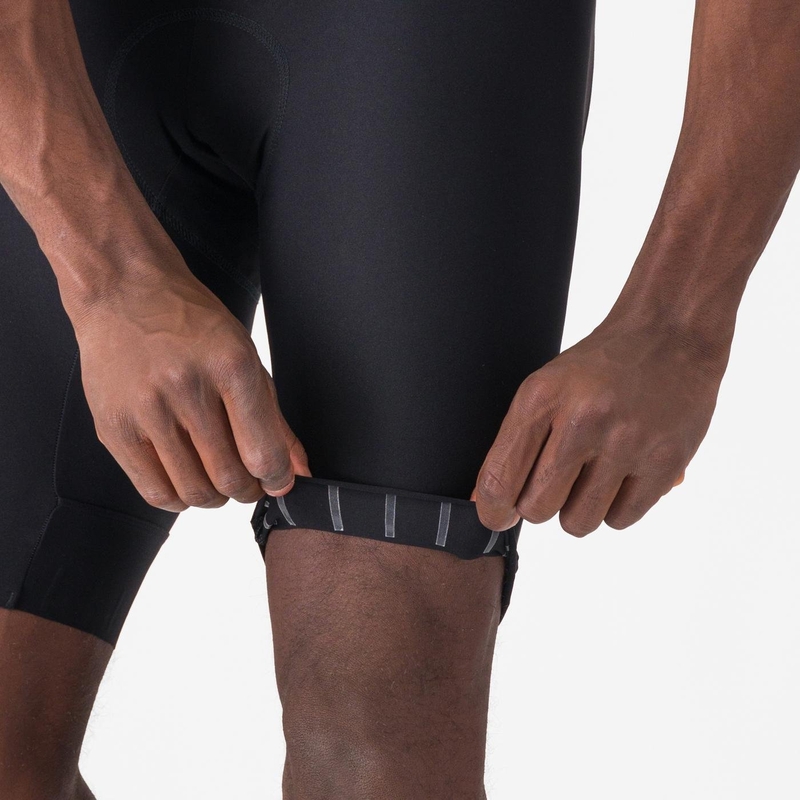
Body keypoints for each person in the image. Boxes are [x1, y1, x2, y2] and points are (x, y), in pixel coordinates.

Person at [0, 0, 797, 797]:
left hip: (423, 44)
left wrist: (678, 321)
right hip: (63, 40)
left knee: (379, 741)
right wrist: (107, 277)